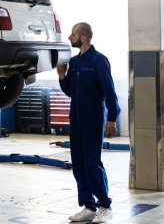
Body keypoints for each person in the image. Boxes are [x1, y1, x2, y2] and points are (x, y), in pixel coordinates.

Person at [57, 22, 120, 224]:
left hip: (93, 120)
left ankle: (105, 206)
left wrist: (112, 117)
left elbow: (110, 91)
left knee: (91, 163)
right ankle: (88, 206)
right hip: (75, 119)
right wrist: (61, 76)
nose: (70, 37)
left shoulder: (99, 61)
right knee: (79, 164)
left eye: (73, 34)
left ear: (83, 37)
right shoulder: (73, 62)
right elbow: (70, 92)